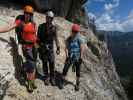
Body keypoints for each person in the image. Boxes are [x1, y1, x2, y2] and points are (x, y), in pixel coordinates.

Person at [0, 5, 37, 93]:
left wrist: (37, 43)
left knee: (33, 63)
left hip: (34, 46)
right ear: (24, 13)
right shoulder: (20, 22)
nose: (28, 15)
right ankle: (29, 83)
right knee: (31, 64)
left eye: (29, 13)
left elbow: (34, 34)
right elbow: (9, 27)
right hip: (26, 47)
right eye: (26, 13)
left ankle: (32, 80)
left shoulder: (33, 22)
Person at [37, 11, 60, 86]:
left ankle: (52, 78)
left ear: (52, 19)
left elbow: (56, 38)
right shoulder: (41, 27)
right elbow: (38, 39)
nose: (48, 19)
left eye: (50, 18)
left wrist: (58, 47)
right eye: (47, 17)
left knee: (52, 63)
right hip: (43, 48)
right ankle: (46, 77)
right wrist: (41, 46)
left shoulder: (54, 28)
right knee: (44, 63)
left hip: (50, 49)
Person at [61, 24, 84, 91]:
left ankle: (77, 83)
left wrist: (81, 57)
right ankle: (63, 80)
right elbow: (66, 48)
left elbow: (81, 48)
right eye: (74, 31)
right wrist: (67, 56)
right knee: (65, 68)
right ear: (72, 31)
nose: (75, 33)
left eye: (76, 32)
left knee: (78, 71)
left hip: (77, 56)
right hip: (70, 56)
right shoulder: (69, 39)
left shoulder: (79, 39)